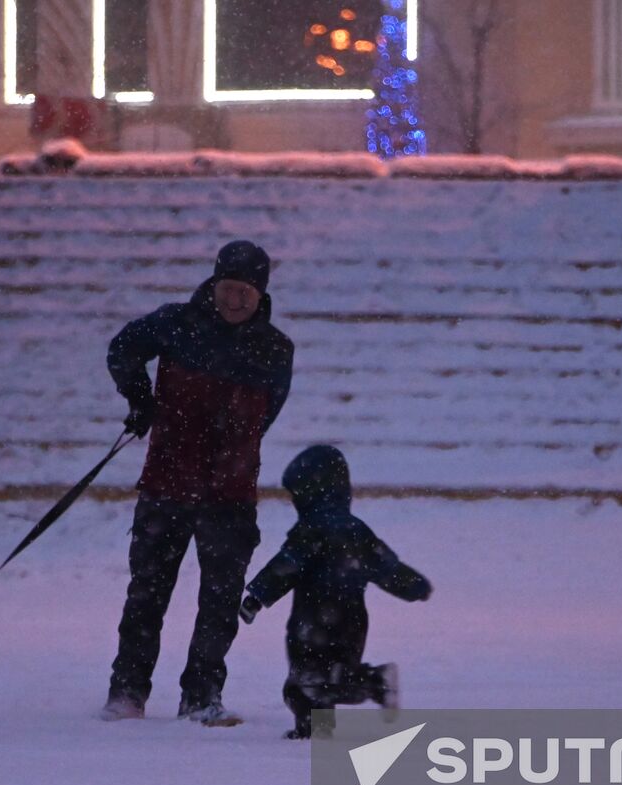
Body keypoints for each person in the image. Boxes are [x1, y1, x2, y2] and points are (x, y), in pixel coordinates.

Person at [100, 240, 294, 726]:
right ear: (214, 284)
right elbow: (122, 350)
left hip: (229, 497)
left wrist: (224, 453)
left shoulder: (275, 348)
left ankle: (201, 696)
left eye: (245, 293)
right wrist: (142, 402)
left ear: (260, 295)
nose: (235, 300)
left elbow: (266, 414)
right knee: (147, 593)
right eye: (229, 289)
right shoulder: (174, 323)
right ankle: (127, 693)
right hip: (166, 486)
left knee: (220, 601)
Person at [239, 445, 432, 739]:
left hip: (313, 617)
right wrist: (413, 585)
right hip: (352, 620)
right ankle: (320, 728)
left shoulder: (310, 530)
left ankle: (372, 683)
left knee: (304, 682)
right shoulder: (358, 531)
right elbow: (386, 566)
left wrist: (257, 597)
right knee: (333, 673)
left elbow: (286, 566)